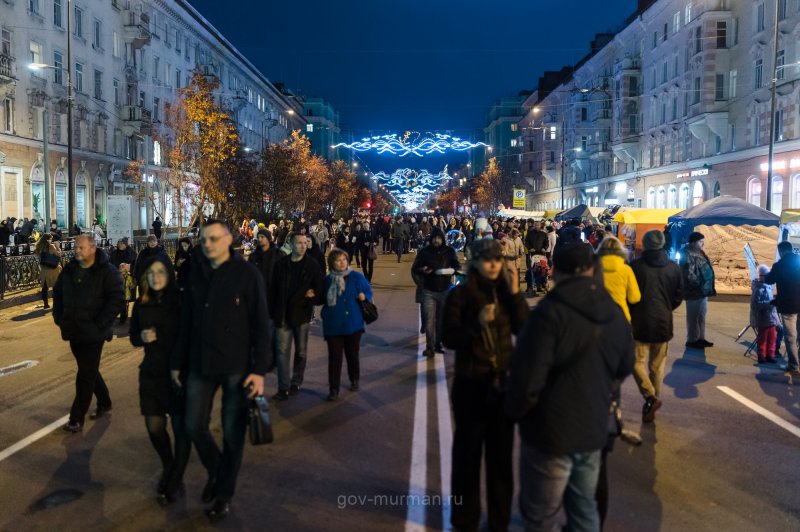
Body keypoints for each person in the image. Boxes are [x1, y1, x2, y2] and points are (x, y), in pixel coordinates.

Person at [506, 242, 634, 531]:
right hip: (592, 429)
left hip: (550, 433)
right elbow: (625, 366)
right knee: (583, 509)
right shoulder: (614, 313)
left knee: (541, 515)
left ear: (553, 269)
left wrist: (514, 413)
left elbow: (526, 380)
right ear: (592, 269)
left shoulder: (547, 315)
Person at [171, 220, 271, 521]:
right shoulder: (196, 272)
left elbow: (261, 323)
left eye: (214, 239)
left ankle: (224, 494)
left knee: (232, 433)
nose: (208, 244)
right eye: (204, 240)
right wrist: (177, 361)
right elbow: (186, 320)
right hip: (201, 363)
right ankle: (217, 472)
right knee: (193, 425)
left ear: (229, 240)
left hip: (236, 367)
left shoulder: (247, 274)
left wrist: (259, 370)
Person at [442, 238, 529, 532]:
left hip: (501, 386)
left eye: (497, 259)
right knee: (467, 457)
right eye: (487, 259)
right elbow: (449, 338)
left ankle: (498, 521)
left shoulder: (507, 294)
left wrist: (516, 293)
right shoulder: (461, 295)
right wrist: (476, 323)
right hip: (470, 385)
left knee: (500, 460)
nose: (493, 264)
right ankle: (464, 519)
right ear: (476, 262)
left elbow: (524, 330)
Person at [129, 255, 191, 505]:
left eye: (161, 272)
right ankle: (169, 465)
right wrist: (142, 336)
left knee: (181, 430)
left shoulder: (180, 301)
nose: (156, 277)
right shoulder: (141, 303)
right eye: (152, 273)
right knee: (154, 427)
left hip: (178, 374)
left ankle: (174, 480)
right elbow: (133, 337)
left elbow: (189, 336)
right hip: (152, 372)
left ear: (169, 276)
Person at [53, 234, 124, 432]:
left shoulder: (107, 272)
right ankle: (105, 401)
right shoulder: (69, 269)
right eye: (76, 247)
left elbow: (116, 299)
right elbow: (57, 293)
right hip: (73, 330)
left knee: (85, 373)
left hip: (94, 333)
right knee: (89, 369)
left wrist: (99, 325)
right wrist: (59, 317)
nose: (77, 250)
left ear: (92, 248)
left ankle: (76, 418)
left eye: (81, 247)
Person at [629, 230, 683, 423]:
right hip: (663, 322)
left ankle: (650, 398)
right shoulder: (673, 268)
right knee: (657, 367)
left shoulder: (635, 267)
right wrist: (666, 308)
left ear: (644, 244)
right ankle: (653, 400)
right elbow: (678, 296)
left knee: (635, 361)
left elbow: (630, 296)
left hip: (639, 322)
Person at [269, 232, 325, 400]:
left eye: (304, 243)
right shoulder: (281, 264)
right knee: (282, 352)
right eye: (299, 243)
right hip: (283, 314)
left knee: (301, 352)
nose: (302, 246)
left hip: (301, 315)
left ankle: (296, 381)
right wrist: (272, 313)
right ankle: (283, 387)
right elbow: (273, 291)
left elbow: (320, 289)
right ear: (291, 244)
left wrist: (312, 295)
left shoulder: (312, 265)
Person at [321, 248, 373, 401]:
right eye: (338, 260)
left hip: (353, 324)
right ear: (332, 263)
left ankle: (354, 379)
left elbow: (368, 291)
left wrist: (365, 296)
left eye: (344, 259)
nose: (342, 262)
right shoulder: (327, 280)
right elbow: (320, 297)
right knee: (334, 358)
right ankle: (333, 388)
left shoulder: (356, 277)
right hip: (333, 325)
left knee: (352, 354)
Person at [412, 228, 461, 358]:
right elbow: (415, 269)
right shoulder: (425, 252)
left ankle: (438, 344)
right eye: (434, 238)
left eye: (439, 238)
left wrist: (450, 271)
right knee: (429, 320)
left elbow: (457, 267)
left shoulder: (449, 252)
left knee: (440, 320)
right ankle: (430, 347)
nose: (436, 240)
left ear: (443, 239)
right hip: (429, 290)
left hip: (444, 290)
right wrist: (422, 271)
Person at [764, 240, 800, 374]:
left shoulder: (779, 265)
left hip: (788, 305)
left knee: (790, 337)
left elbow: (769, 280)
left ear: (781, 251)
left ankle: (793, 365)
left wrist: (764, 275)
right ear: (791, 250)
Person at [680, 231, 716, 349]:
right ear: (694, 242)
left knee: (701, 315)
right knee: (693, 316)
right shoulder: (687, 254)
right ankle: (692, 340)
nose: (703, 244)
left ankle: (700, 338)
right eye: (701, 242)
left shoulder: (698, 252)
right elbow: (689, 274)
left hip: (702, 291)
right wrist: (699, 285)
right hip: (694, 292)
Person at [596, 236, 641, 322]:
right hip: (621, 317)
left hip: (598, 316)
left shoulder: (593, 269)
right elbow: (634, 298)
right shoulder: (626, 270)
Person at [751, 264, 780, 364]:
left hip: (771, 318)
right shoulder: (758, 289)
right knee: (762, 339)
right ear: (760, 276)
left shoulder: (768, 286)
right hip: (763, 318)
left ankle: (770, 355)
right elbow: (755, 305)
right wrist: (770, 304)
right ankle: (761, 356)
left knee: (772, 338)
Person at [34, 233, 62, 309]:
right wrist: (58, 248)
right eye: (51, 239)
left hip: (44, 269)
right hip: (53, 269)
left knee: (45, 288)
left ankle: (45, 304)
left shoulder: (38, 247)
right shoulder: (51, 246)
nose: (51, 240)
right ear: (48, 239)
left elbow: (39, 258)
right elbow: (58, 255)